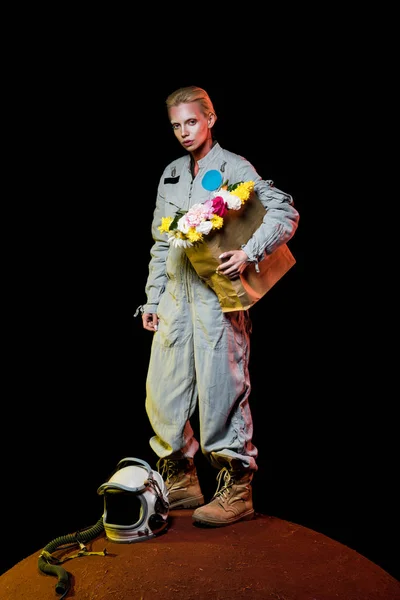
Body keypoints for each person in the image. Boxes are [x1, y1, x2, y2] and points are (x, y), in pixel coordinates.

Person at [137, 85, 299, 527]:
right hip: (174, 301)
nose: (184, 132)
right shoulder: (171, 174)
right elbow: (160, 245)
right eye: (176, 125)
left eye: (191, 121)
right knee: (163, 396)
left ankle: (237, 488)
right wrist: (153, 298)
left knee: (220, 393)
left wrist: (249, 253)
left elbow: (283, 212)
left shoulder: (233, 167)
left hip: (216, 303)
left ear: (210, 118)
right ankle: (182, 480)